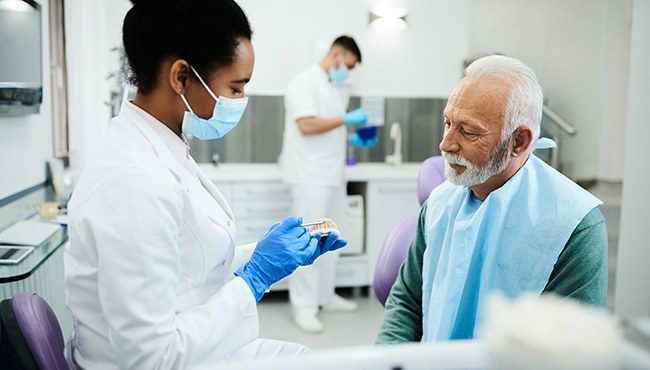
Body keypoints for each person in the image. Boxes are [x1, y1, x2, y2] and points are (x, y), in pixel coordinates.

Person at [63, 0, 347, 368]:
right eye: (235, 87)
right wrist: (255, 277)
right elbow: (150, 358)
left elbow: (186, 266)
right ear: (181, 76)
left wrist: (261, 254)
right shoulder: (134, 182)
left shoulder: (159, 146)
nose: (241, 101)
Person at [376, 55, 608, 343]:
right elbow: (407, 302)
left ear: (519, 142)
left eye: (468, 131)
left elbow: (572, 352)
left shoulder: (572, 227)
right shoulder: (439, 204)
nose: (446, 144)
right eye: (448, 123)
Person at [278, 35, 376, 333]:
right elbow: (306, 126)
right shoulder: (304, 83)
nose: (348, 72)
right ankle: (303, 307)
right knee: (309, 239)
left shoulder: (331, 87)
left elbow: (328, 128)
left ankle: (325, 295)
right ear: (336, 55)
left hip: (331, 174)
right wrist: (345, 120)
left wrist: (351, 137)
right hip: (309, 175)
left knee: (331, 236)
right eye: (348, 65)